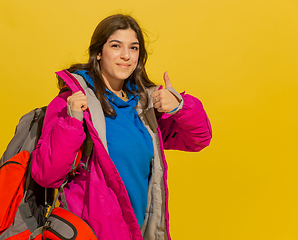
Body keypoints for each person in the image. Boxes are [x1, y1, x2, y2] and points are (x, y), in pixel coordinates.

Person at [31, 14, 212, 240]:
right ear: (98, 52)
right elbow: (47, 176)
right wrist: (73, 120)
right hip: (88, 233)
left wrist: (179, 107)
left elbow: (198, 139)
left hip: (138, 230)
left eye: (133, 48)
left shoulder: (145, 107)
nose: (126, 55)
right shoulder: (73, 102)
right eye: (116, 45)